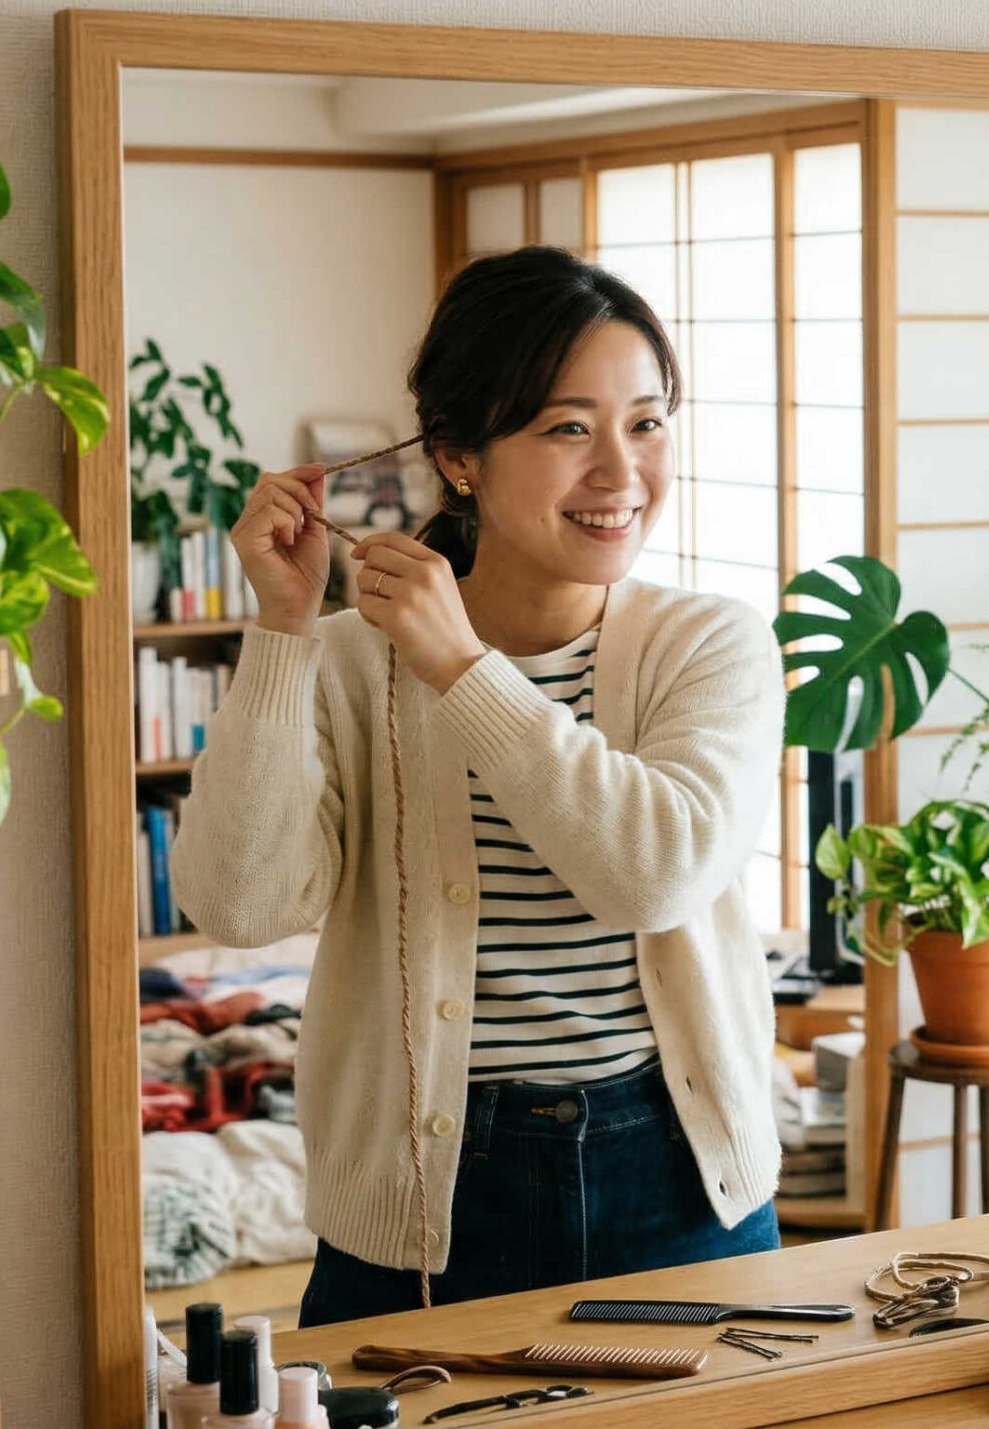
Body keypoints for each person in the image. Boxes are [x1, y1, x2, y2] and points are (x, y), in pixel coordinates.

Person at [173, 247, 785, 1326]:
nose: (620, 471)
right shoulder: (352, 663)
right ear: (458, 455)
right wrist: (280, 631)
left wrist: (464, 671)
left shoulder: (713, 645)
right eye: (567, 428)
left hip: (678, 1177)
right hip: (421, 1194)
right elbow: (239, 906)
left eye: (645, 422)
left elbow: (656, 874)